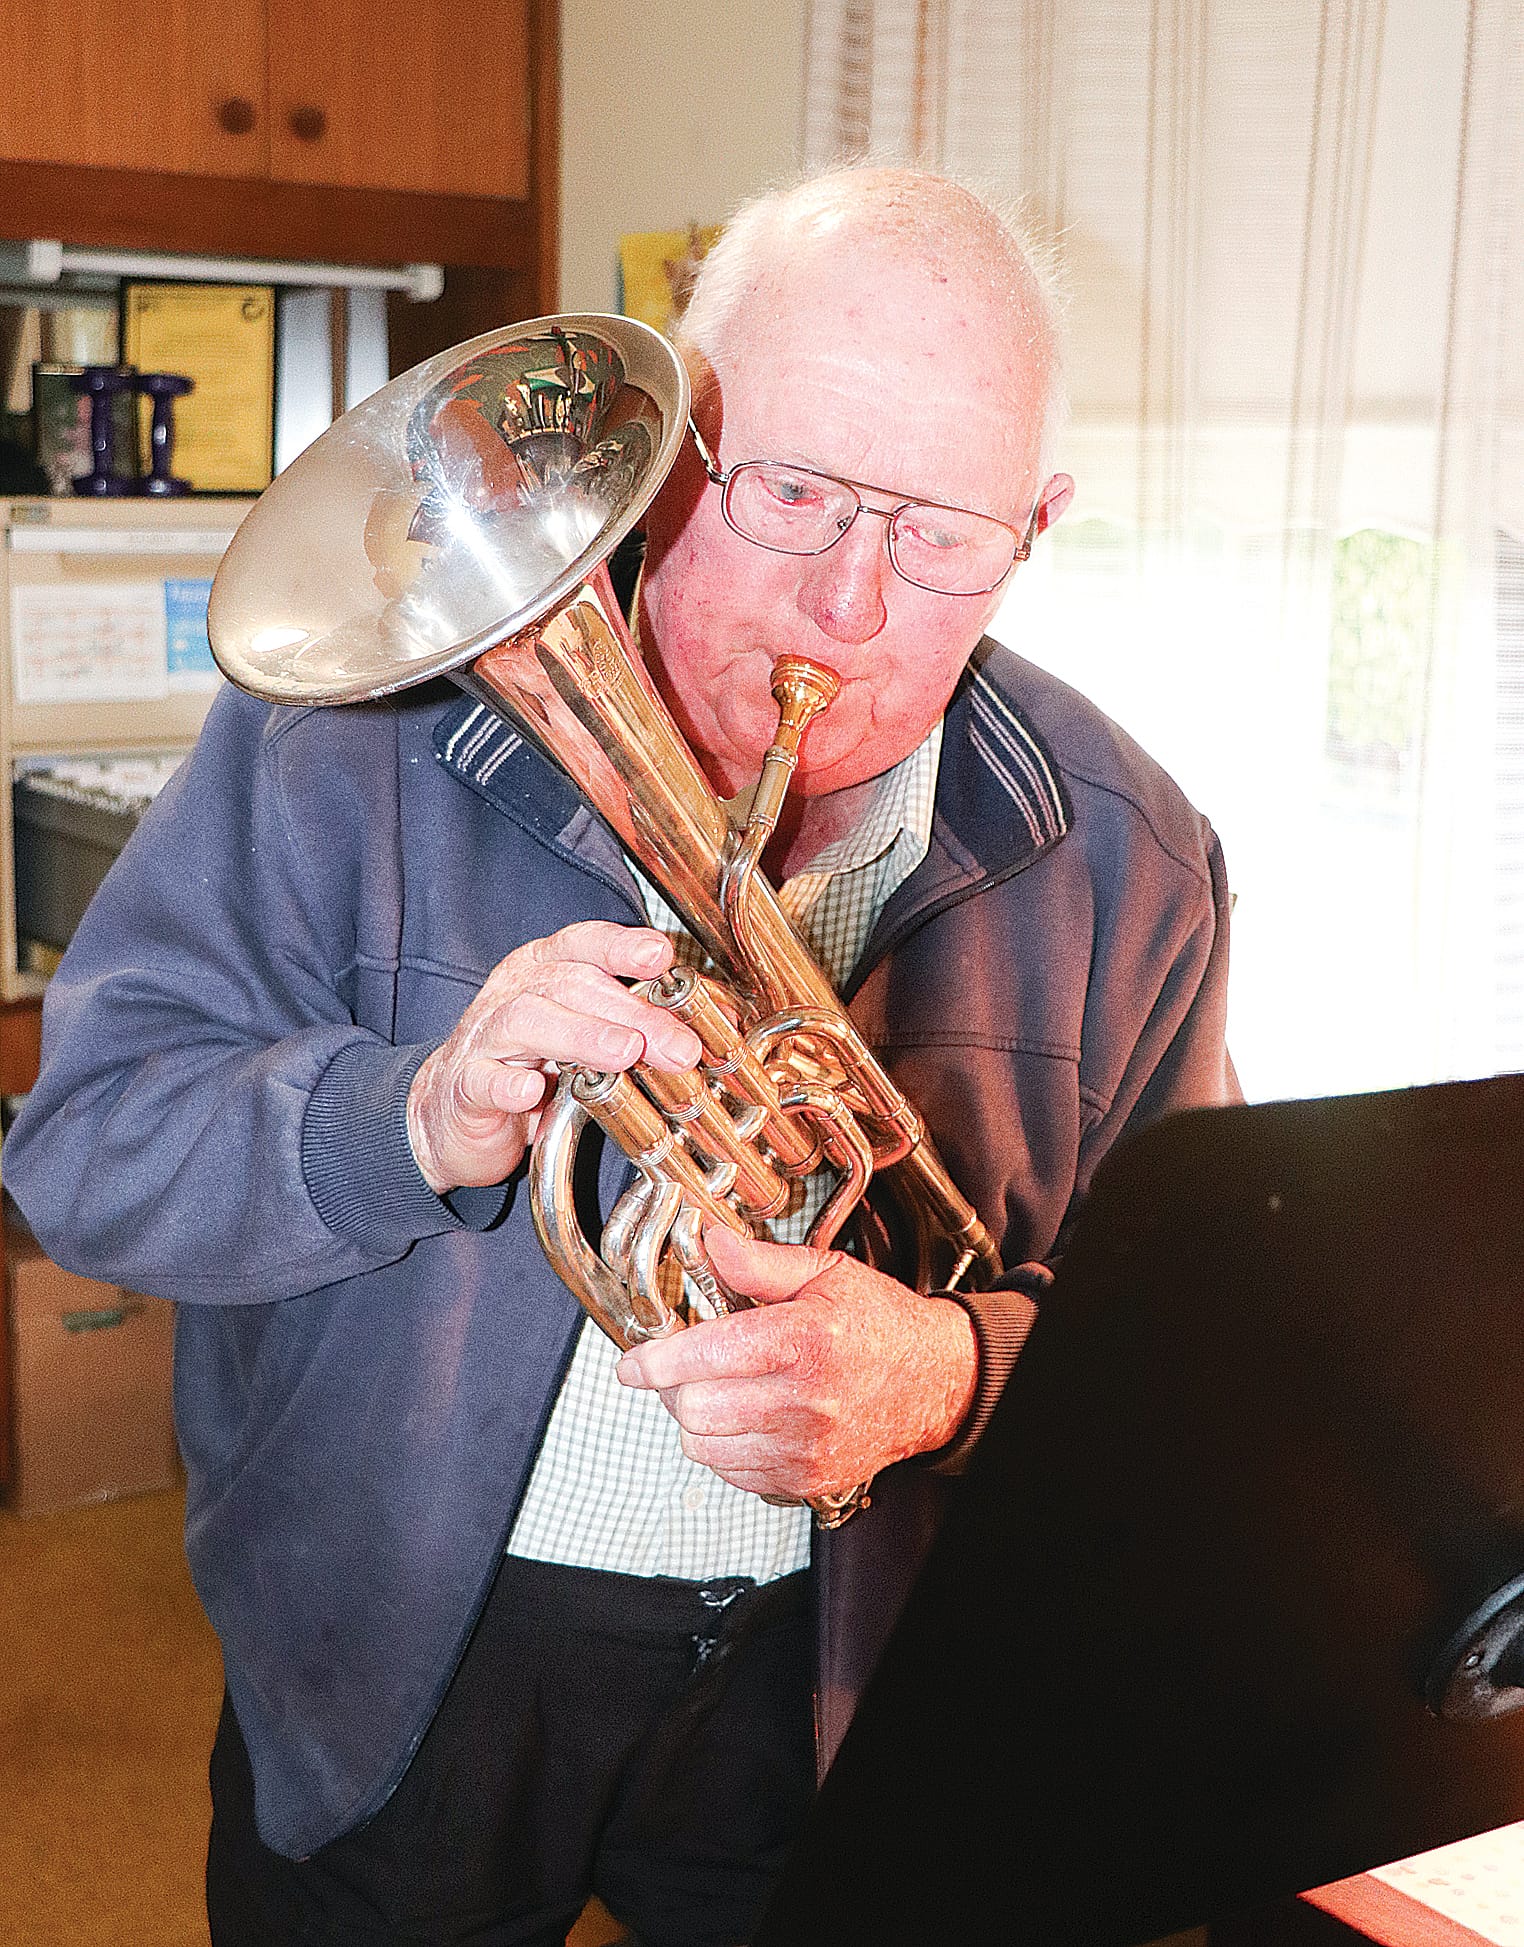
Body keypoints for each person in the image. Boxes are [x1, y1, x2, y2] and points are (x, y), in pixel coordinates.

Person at [3, 164, 1238, 1946]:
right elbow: (84, 1151)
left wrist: (949, 1370)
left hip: (841, 1676)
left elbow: (1189, 1345)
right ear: (666, 454)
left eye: (942, 534)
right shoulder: (342, 741)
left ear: (1034, 525)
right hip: (402, 1656)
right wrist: (403, 1118)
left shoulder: (1131, 856)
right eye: (792, 492)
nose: (849, 606)